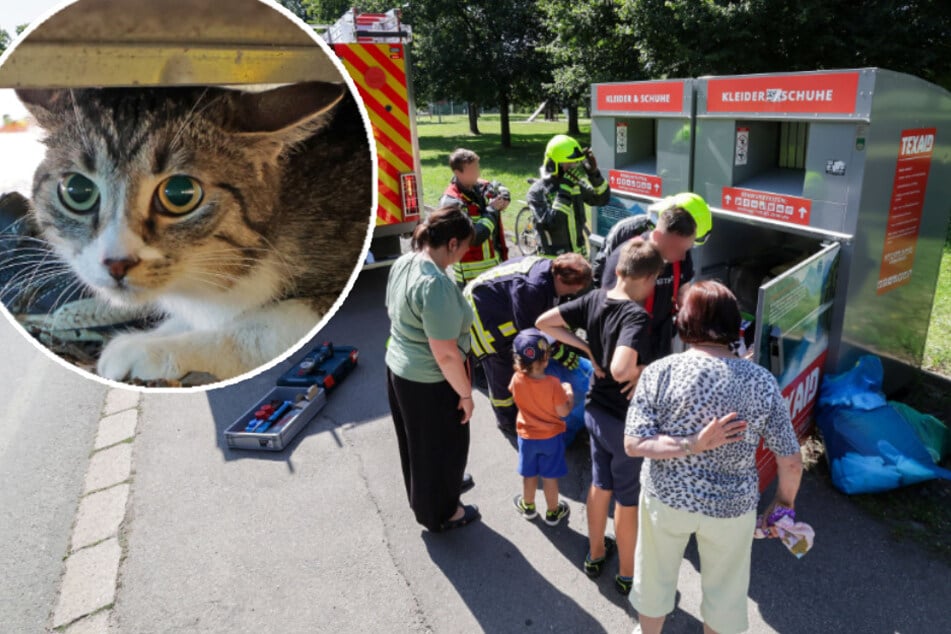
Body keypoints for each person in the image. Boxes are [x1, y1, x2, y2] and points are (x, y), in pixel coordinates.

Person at [624, 281, 804, 634]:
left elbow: (634, 443)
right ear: (735, 325)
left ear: (684, 320)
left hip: (666, 499)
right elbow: (791, 459)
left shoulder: (661, 372)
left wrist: (690, 443)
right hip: (732, 508)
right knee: (726, 593)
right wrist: (782, 503)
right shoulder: (761, 381)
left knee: (654, 576)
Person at [536, 238, 665, 596]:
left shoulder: (595, 298)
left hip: (595, 410)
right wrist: (640, 369)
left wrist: (587, 348)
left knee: (599, 482)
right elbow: (623, 368)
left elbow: (544, 322)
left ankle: (595, 554)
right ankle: (626, 573)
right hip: (625, 424)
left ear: (619, 269)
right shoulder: (636, 315)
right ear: (649, 278)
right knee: (626, 496)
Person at [384, 206, 481, 532]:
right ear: (452, 243)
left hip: (401, 370)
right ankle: (442, 512)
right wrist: (466, 394)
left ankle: (440, 489)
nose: (468, 251)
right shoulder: (434, 285)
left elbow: (391, 310)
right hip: (429, 382)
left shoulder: (405, 261)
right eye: (466, 245)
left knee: (419, 445)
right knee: (442, 445)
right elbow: (446, 355)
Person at [463, 253, 593, 437]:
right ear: (560, 279)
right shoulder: (532, 289)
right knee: (501, 369)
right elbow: (531, 334)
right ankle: (507, 421)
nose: (571, 295)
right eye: (571, 290)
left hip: (500, 305)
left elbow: (553, 318)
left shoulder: (552, 274)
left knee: (521, 360)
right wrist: (560, 352)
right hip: (483, 318)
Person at [596, 197, 707, 363]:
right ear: (657, 235)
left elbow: (683, 291)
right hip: (625, 345)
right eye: (677, 249)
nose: (682, 256)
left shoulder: (680, 254)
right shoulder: (627, 257)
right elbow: (610, 314)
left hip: (661, 339)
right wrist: (634, 369)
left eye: (686, 249)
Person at [509, 328, 573, 526]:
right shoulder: (554, 384)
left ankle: (528, 506)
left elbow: (518, 398)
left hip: (526, 437)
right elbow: (563, 412)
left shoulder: (516, 379)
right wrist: (568, 394)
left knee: (529, 474)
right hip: (550, 438)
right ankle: (553, 512)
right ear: (546, 359)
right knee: (549, 477)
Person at [591, 192, 712, 288]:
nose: (683, 255)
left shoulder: (683, 251)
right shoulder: (626, 231)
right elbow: (602, 273)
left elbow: (683, 286)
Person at [527, 134, 610, 258]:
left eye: (575, 163)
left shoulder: (574, 184)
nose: (573, 167)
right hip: (554, 262)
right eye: (569, 164)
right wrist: (565, 190)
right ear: (553, 164)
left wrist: (593, 175)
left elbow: (602, 199)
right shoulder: (537, 191)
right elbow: (550, 224)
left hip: (578, 258)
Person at [439, 148, 511, 286]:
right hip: (471, 280)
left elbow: (498, 185)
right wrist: (492, 210)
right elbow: (473, 237)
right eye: (472, 170)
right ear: (457, 173)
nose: (477, 173)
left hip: (494, 271)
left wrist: (505, 196)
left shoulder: (479, 185)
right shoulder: (451, 202)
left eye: (477, 168)